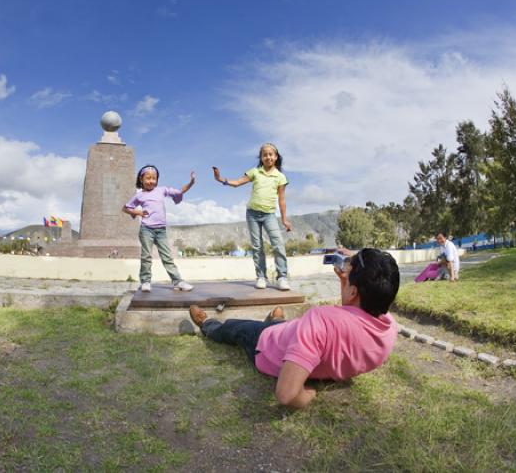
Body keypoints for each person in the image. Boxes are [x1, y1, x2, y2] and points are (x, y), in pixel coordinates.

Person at [189, 247, 399, 409]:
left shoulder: (321, 320)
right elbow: (349, 316)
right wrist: (349, 279)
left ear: (353, 292)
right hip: (301, 338)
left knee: (236, 328)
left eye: (348, 269)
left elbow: (286, 394)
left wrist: (308, 394)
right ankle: (275, 321)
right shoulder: (389, 329)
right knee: (287, 326)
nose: (344, 270)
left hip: (266, 345)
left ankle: (208, 325)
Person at [212, 143, 292, 291]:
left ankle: (282, 277)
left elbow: (282, 200)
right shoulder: (255, 172)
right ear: (261, 158)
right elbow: (237, 183)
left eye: (270, 154)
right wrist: (220, 179)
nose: (268, 157)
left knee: (278, 244)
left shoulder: (280, 177)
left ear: (276, 157)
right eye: (264, 154)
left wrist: (284, 219)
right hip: (253, 214)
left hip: (269, 215)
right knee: (257, 246)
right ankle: (261, 276)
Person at [123, 165, 195, 292]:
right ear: (141, 179)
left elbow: (179, 192)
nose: (151, 181)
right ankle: (145, 281)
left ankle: (178, 281)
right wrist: (138, 213)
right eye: (148, 178)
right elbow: (126, 208)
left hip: (161, 230)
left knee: (167, 257)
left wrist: (191, 183)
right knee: (146, 256)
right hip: (146, 230)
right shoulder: (139, 195)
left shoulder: (162, 190)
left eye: (154, 178)